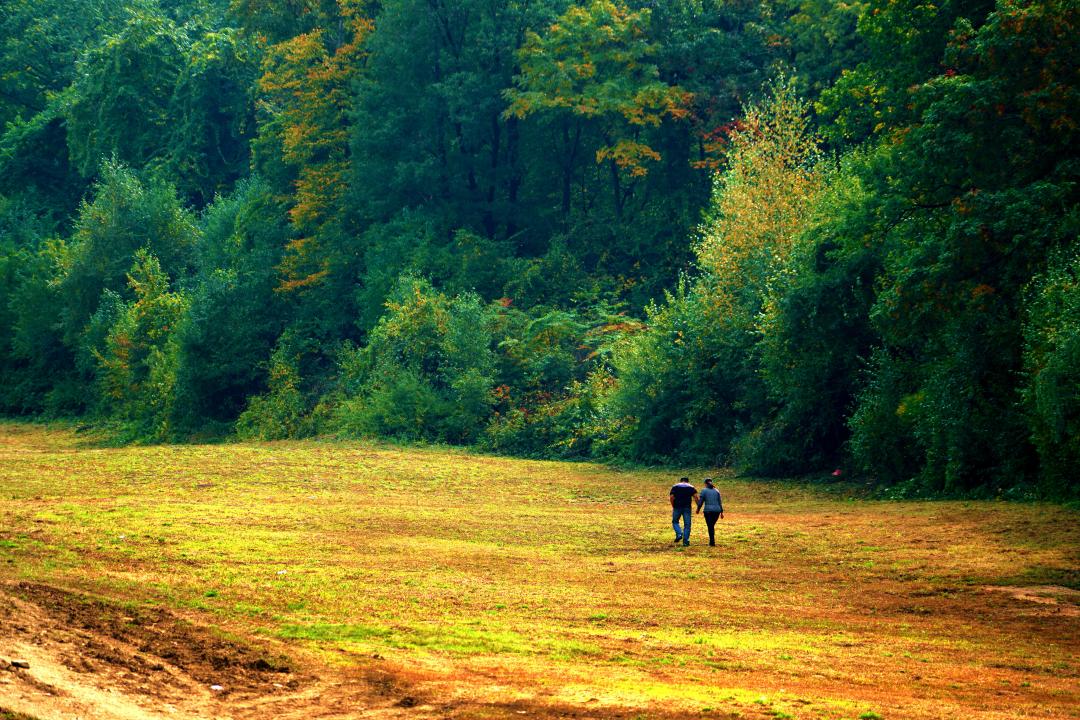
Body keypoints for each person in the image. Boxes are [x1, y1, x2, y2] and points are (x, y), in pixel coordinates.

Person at [695, 478, 724, 546]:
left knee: (710, 526)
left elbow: (700, 502)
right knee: (711, 526)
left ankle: (712, 542)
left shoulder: (704, 490)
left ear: (705, 484)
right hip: (717, 511)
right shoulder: (717, 491)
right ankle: (712, 541)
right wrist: (722, 512)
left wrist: (698, 509)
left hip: (708, 511)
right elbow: (720, 502)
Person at [669, 477, 697, 546]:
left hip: (677, 506)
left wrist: (673, 505)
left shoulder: (675, 486)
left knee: (675, 521)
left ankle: (679, 533)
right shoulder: (691, 487)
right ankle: (686, 541)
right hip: (687, 507)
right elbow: (696, 497)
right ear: (688, 481)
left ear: (681, 481)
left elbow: (672, 497)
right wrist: (698, 506)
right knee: (687, 524)